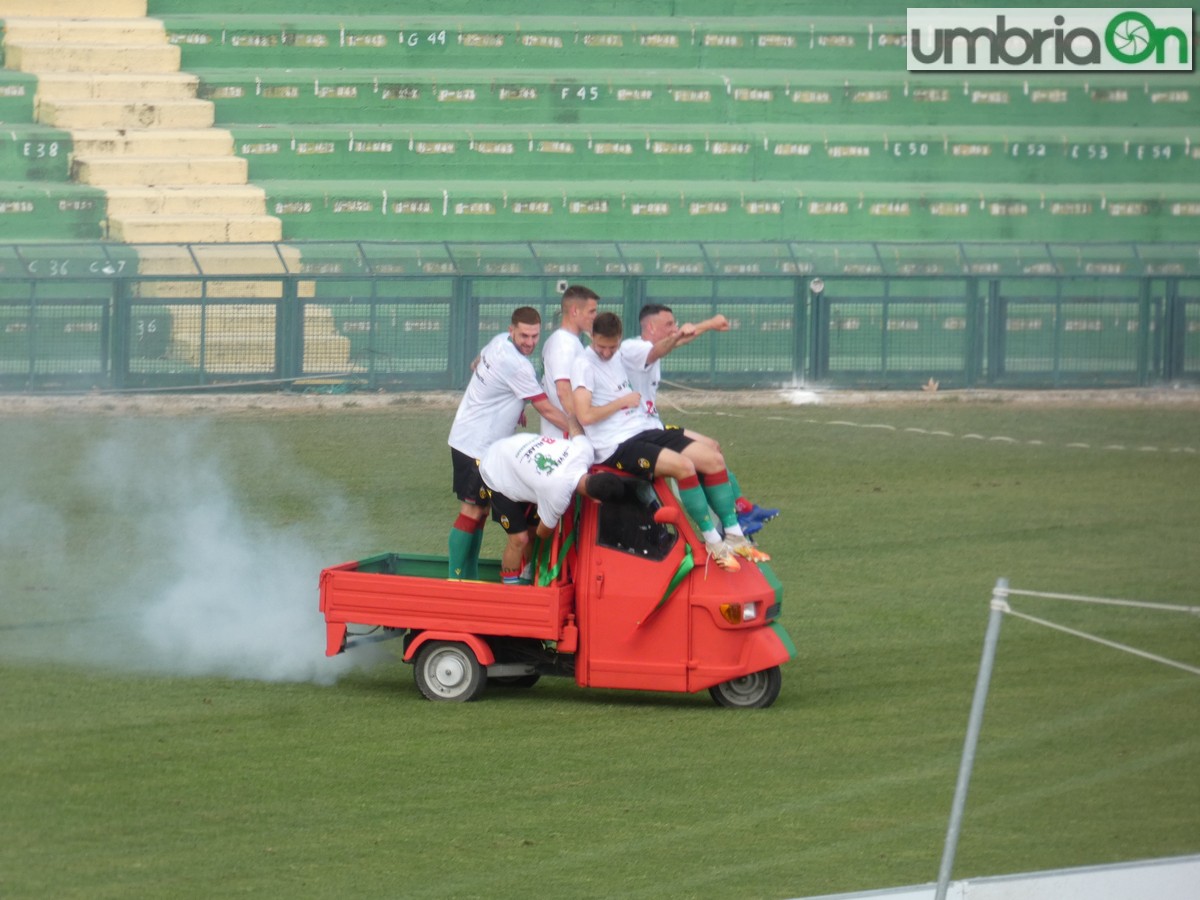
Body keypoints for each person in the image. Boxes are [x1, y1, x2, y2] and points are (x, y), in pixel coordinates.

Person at [571, 311, 766, 572]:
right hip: (615, 445)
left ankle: (733, 534)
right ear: (592, 337)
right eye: (601, 347)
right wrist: (621, 402)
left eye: (612, 347)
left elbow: (657, 350)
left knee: (713, 458)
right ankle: (712, 541)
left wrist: (676, 338)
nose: (606, 353)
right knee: (684, 466)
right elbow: (584, 415)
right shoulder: (583, 363)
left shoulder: (624, 351)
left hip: (644, 428)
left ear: (619, 339)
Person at [620, 303, 779, 535]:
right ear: (651, 327)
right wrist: (682, 333)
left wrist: (711, 324)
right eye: (669, 325)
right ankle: (726, 524)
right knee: (702, 458)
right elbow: (663, 348)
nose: (674, 328)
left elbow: (677, 340)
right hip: (639, 431)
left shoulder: (653, 345)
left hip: (653, 425)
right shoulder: (634, 347)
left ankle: (742, 510)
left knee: (712, 446)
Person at [446, 306, 569, 580]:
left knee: (481, 510)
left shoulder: (499, 341)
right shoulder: (518, 364)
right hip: (475, 445)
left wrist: (514, 402)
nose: (530, 342)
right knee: (472, 510)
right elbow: (547, 410)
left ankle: (469, 577)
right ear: (512, 330)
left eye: (535, 336)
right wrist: (578, 431)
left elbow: (476, 363)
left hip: (472, 440)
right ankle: (455, 580)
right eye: (524, 336)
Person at [479, 417, 624, 584]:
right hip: (496, 469)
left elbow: (576, 430)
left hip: (515, 448)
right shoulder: (558, 496)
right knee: (520, 538)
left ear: (598, 474)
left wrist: (570, 413)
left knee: (531, 530)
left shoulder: (585, 452)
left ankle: (528, 576)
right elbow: (544, 532)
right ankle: (510, 591)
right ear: (597, 501)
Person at [539, 284, 600, 438]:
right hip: (565, 441)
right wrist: (581, 431)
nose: (595, 316)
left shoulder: (569, 341)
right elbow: (564, 391)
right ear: (574, 311)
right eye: (591, 311)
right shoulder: (563, 343)